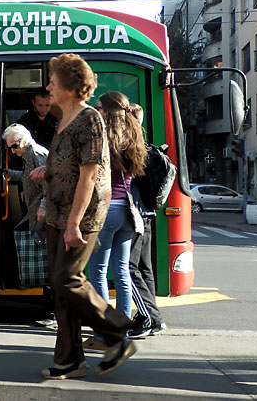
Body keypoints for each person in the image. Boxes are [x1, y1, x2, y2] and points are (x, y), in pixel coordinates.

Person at [30, 53, 135, 380]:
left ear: (72, 85)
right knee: (60, 289)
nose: (48, 86)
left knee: (68, 279)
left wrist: (74, 222)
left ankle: (118, 332)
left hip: (82, 215)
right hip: (57, 213)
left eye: (53, 81)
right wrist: (46, 173)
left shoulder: (89, 119)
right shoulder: (63, 118)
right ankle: (69, 360)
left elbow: (90, 174)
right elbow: (68, 166)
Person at [85, 91, 148, 351]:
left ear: (107, 110)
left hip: (106, 209)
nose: (95, 109)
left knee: (97, 272)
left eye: (98, 106)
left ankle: (103, 336)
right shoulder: (134, 135)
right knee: (121, 272)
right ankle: (121, 332)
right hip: (128, 212)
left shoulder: (101, 138)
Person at [2, 123, 53, 326]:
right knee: (46, 262)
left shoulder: (37, 153)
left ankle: (53, 314)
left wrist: (42, 207)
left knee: (48, 263)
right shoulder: (29, 154)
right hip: (37, 215)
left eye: (14, 146)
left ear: (23, 141)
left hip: (42, 216)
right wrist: (11, 174)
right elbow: (29, 178)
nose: (13, 151)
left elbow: (48, 183)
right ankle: (50, 312)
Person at [127, 103, 167, 338]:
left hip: (135, 213)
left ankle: (151, 318)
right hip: (147, 212)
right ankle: (150, 316)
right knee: (145, 267)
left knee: (128, 267)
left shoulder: (131, 148)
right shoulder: (147, 147)